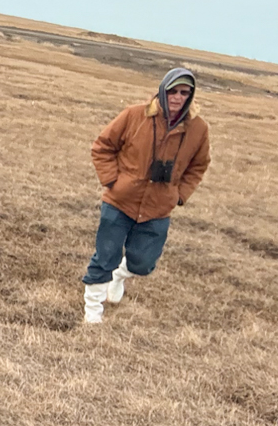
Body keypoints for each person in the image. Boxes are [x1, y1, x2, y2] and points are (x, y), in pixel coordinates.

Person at [81, 67, 211, 323]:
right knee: (105, 256)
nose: (177, 97)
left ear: (191, 96)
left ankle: (120, 275)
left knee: (143, 263)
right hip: (120, 201)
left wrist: (179, 194)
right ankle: (93, 310)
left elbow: (199, 165)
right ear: (162, 90)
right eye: (172, 91)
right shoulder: (134, 115)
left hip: (158, 208)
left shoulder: (198, 129)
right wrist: (112, 181)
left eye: (184, 92)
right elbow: (102, 147)